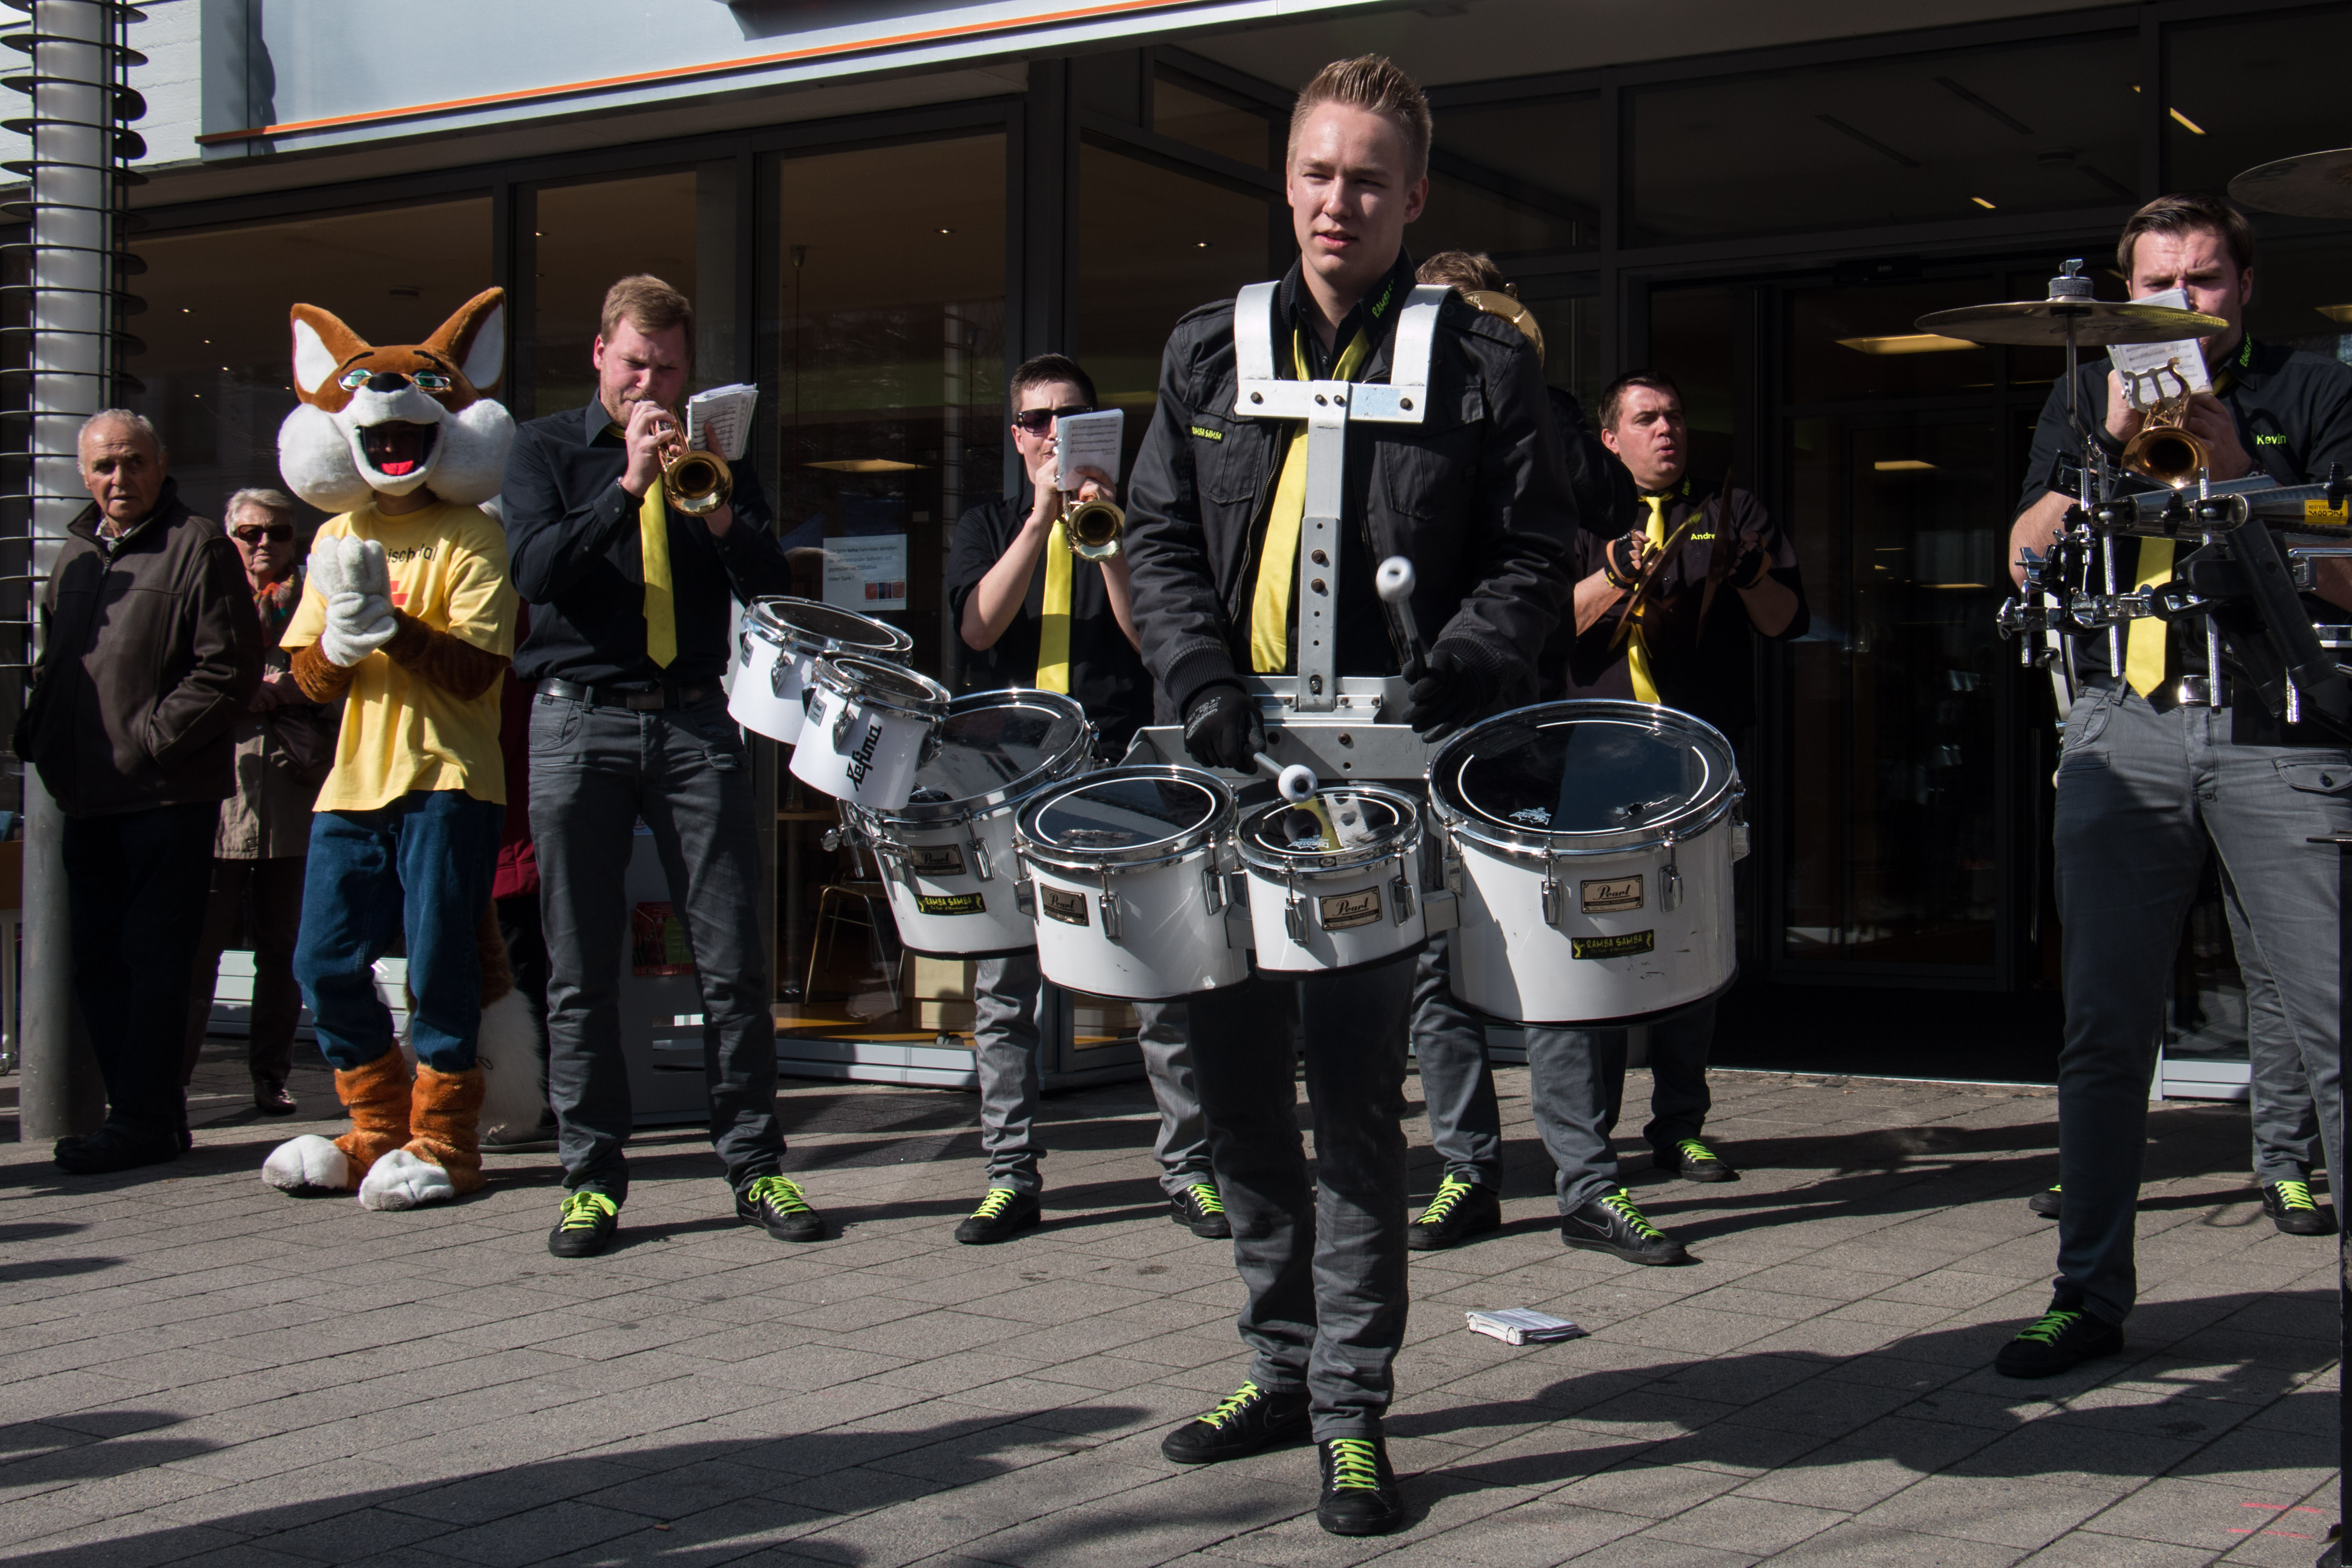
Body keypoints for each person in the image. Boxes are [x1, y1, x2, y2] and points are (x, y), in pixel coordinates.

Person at [1122, 56, 1573, 1536]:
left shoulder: (1481, 361)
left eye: (1368, 179)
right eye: (1318, 173)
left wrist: (1468, 659)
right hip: (1226, 763)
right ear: (1286, 179)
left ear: (1413, 195)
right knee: (1237, 1089)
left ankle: (1351, 1405)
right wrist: (1197, 677)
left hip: (1379, 777)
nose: (1339, 201)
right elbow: (1159, 537)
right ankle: (1278, 1361)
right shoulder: (1206, 350)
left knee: (1356, 1094)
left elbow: (1532, 549)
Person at [1996, 192, 2352, 1377]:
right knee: (2104, 1028)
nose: (2181, 301)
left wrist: (2239, 465)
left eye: (2202, 278)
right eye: (2158, 284)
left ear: (2242, 285)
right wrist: (2099, 446)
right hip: (2126, 722)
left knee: (2333, 1021)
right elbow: (2025, 555)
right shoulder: (2083, 396)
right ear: (2124, 296)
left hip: (2277, 726)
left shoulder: (2314, 388)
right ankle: (2087, 1292)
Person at [1423, 371, 1808, 1264]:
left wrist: (1750, 574)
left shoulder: (1726, 512)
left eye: (1674, 415)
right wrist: (1612, 573)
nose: (1667, 430)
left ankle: (1678, 1124)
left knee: (1688, 941)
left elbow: (1786, 619)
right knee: (1588, 949)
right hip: (1579, 761)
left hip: (1688, 755)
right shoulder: (1560, 522)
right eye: (1646, 418)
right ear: (1608, 439)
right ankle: (1563, 1149)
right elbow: (1533, 628)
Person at [503, 274, 814, 1259]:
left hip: (691, 720)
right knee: (579, 964)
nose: (650, 385)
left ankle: (754, 1163)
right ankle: (591, 1178)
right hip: (577, 720)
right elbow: (535, 573)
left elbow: (772, 584)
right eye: (635, 364)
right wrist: (628, 485)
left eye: (668, 369)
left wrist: (715, 510)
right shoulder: (544, 448)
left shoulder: (712, 452)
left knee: (732, 957)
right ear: (600, 354)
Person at [944, 353, 1228, 1245]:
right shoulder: (989, 522)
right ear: (1016, 435)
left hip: (1114, 766)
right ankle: (1009, 1175)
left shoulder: (1138, 522)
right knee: (1004, 988)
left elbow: (1154, 641)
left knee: (1157, 982)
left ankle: (1188, 1169)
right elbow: (977, 627)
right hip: (1008, 773)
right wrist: (1040, 521)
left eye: (1070, 417)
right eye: (1036, 420)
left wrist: (1104, 541)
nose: (1052, 434)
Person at [1394, 250, 1642, 1259]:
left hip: (1524, 709)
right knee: (1435, 955)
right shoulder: (1392, 405)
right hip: (1424, 709)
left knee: (1554, 943)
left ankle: (1587, 1181)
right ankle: (1466, 1170)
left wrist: (1529, 391)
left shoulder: (1546, 406)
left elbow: (1606, 501)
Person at [17, 410, 263, 1174]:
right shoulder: (76, 554)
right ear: (83, 474)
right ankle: (144, 1117)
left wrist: (153, 741)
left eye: (132, 462)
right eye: (104, 466)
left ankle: (143, 1121)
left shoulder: (198, 545)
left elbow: (228, 668)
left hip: (163, 798)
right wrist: (43, 736)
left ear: (160, 465)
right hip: (88, 795)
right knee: (98, 963)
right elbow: (53, 660)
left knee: (153, 963)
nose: (118, 478)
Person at [181, 488, 338, 1117]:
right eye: (250, 533)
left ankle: (270, 1077)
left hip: (295, 796)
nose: (265, 543)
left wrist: (291, 690)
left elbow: (347, 676)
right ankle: (172, 1082)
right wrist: (240, 690)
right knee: (198, 951)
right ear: (230, 537)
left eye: (278, 532)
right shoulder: (206, 598)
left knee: (283, 951)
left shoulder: (316, 599)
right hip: (217, 797)